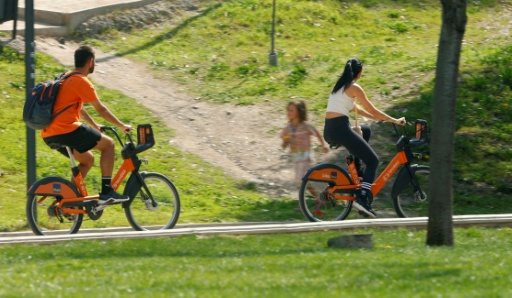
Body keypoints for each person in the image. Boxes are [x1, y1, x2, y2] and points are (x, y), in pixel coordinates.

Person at [41, 45, 132, 205]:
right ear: (90, 62)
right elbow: (101, 109)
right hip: (67, 130)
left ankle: (68, 201)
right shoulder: (81, 81)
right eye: (95, 61)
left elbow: (79, 108)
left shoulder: (65, 77)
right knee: (108, 145)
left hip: (49, 134)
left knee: (88, 160)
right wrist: (121, 125)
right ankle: (107, 192)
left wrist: (94, 125)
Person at [323, 58, 406, 218]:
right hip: (341, 129)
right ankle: (362, 198)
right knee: (373, 161)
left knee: (365, 130)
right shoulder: (354, 87)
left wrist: (380, 118)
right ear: (359, 73)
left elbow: (361, 111)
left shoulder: (339, 87)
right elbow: (373, 110)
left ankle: (357, 168)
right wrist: (394, 120)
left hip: (331, 130)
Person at [280, 100, 329, 212]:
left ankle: (302, 204)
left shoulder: (306, 126)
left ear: (299, 112)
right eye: (288, 110)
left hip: (306, 156)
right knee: (302, 181)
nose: (289, 112)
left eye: (292, 110)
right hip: (296, 157)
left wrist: (323, 145)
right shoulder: (288, 128)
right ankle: (319, 198)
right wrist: (285, 142)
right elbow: (284, 142)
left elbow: (317, 133)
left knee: (300, 180)